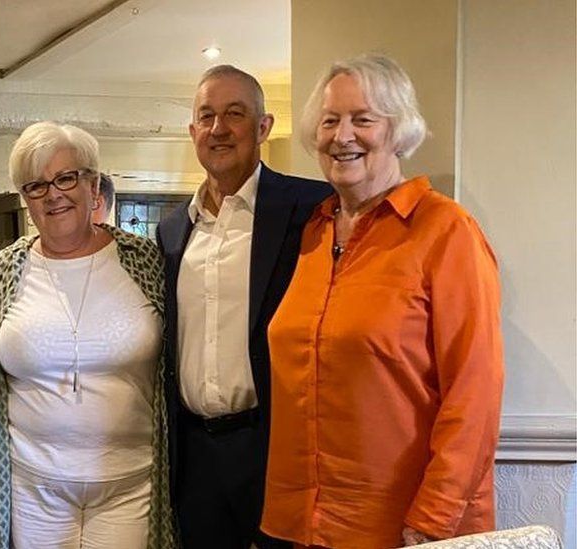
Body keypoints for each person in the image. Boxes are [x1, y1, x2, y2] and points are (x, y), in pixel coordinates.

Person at [262, 54, 503, 548]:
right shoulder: (313, 232)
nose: (342, 135)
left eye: (363, 119)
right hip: (301, 524)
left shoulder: (445, 230)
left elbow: (475, 389)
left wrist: (433, 518)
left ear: (399, 130)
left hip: (403, 527)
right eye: (330, 120)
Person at [155, 65, 330, 549]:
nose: (219, 128)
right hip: (194, 457)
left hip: (272, 448)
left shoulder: (310, 209)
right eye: (206, 116)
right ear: (192, 132)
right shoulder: (172, 232)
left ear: (263, 126)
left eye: (235, 113)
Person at [0, 121, 175, 549]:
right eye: (36, 185)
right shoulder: (2, 271)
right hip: (33, 487)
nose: (53, 194)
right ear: (26, 199)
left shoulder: (144, 259)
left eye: (66, 177)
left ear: (93, 185)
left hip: (129, 484)